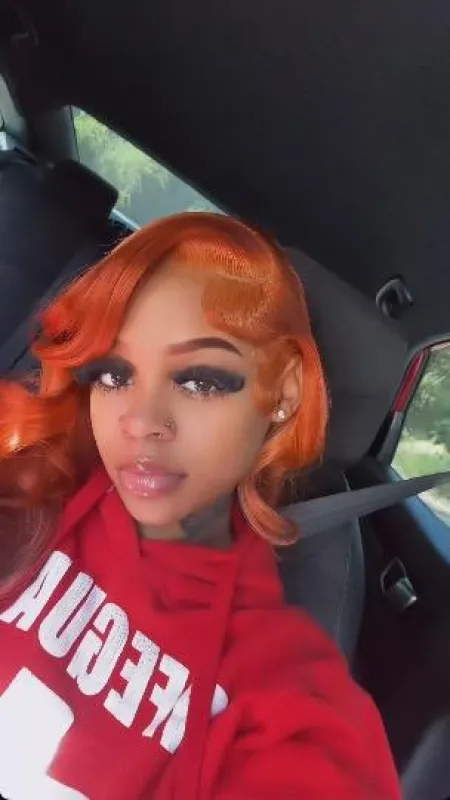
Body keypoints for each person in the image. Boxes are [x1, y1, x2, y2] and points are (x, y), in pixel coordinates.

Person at [0, 213, 400, 799]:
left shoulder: (287, 694)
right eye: (113, 374)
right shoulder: (31, 471)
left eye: (200, 381)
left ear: (284, 394)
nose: (140, 421)